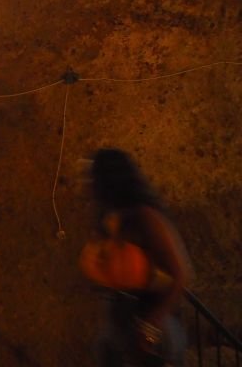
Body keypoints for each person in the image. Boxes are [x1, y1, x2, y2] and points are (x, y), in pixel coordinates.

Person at [80, 148, 192, 367]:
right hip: (120, 322)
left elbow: (181, 274)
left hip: (150, 324)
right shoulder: (110, 220)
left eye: (90, 176)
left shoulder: (147, 218)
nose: (86, 182)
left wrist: (151, 326)